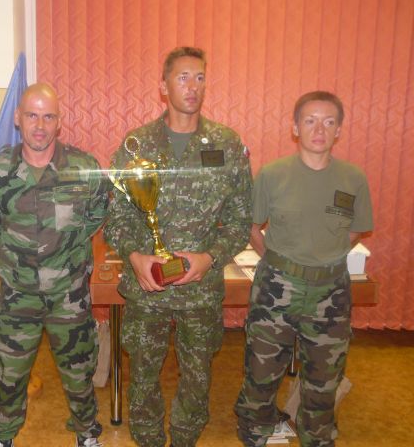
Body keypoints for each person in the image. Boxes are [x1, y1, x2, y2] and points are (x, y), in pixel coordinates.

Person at [104, 46, 253, 447]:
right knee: (144, 374)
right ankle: (148, 439)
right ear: (163, 86)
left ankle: (186, 438)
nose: (193, 86)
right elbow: (116, 217)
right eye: (183, 77)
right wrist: (135, 258)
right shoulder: (137, 145)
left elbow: (240, 220)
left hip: (200, 288)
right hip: (148, 287)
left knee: (198, 375)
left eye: (200, 78)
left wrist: (210, 257)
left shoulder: (226, 143)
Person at [234, 91, 374, 446]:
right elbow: (252, 227)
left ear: (339, 130)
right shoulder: (273, 174)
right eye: (310, 121)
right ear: (295, 128)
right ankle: (256, 432)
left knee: (324, 378)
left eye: (328, 122)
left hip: (331, 293)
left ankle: (317, 436)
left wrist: (325, 255)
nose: (319, 129)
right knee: (262, 371)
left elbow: (357, 229)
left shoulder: (353, 178)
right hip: (276, 289)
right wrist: (278, 260)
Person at [0, 83, 108, 447]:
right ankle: (2, 436)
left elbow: (98, 212)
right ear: (18, 118)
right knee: (10, 372)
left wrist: (68, 246)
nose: (40, 125)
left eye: (48, 116)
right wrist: (16, 249)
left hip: (69, 295)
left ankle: (86, 434)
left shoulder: (84, 168)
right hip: (18, 295)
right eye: (32, 115)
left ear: (59, 122)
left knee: (79, 370)